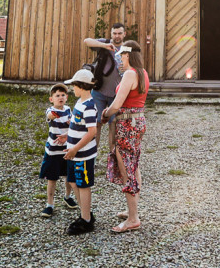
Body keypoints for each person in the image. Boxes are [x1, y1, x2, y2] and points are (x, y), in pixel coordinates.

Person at [102, 40, 149, 233]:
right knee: (134, 164)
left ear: (128, 55)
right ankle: (133, 209)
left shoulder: (130, 74)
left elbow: (116, 104)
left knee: (126, 168)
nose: (120, 58)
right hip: (138, 122)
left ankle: (133, 218)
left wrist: (105, 114)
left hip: (127, 124)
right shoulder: (142, 73)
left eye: (122, 55)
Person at [63, 68, 98, 235]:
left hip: (82, 155)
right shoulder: (79, 103)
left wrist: (76, 148)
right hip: (73, 153)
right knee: (72, 181)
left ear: (82, 86)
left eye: (74, 86)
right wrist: (66, 136)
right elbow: (77, 126)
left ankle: (86, 220)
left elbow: (92, 132)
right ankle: (85, 213)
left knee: (83, 185)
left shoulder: (89, 106)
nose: (72, 89)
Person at [39, 84, 78, 217]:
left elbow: (73, 123)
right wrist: (52, 116)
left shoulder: (68, 109)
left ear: (66, 97)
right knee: (52, 177)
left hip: (67, 149)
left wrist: (70, 123)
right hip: (53, 151)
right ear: (51, 99)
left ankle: (67, 196)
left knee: (68, 176)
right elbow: (49, 115)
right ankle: (49, 204)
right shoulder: (50, 110)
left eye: (62, 95)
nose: (60, 98)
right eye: (57, 96)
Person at [83, 23, 125, 141]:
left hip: (116, 95)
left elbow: (135, 68)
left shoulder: (127, 48)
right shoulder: (104, 43)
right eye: (114, 33)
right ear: (111, 34)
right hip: (99, 91)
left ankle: (112, 157)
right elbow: (86, 41)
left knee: (114, 125)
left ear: (124, 34)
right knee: (96, 124)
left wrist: (126, 69)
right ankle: (93, 156)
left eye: (120, 33)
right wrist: (105, 45)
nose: (117, 36)